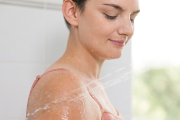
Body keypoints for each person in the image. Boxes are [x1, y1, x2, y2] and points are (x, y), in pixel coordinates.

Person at [26, 0, 140, 119]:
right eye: (111, 15)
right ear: (72, 12)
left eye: (132, 18)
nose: (129, 30)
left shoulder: (90, 83)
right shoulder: (65, 87)